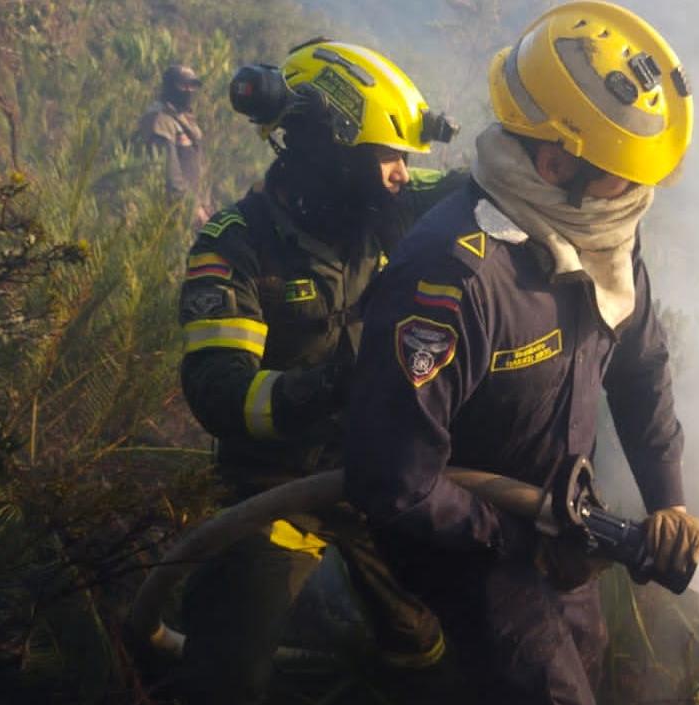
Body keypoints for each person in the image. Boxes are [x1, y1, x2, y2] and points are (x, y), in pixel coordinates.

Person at [343, 3, 699, 703]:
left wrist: (671, 501)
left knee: (587, 663)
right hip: (459, 547)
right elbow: (393, 479)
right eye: (620, 175)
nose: (637, 195)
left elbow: (641, 372)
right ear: (552, 159)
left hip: (552, 538)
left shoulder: (604, 244)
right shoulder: (458, 275)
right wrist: (520, 538)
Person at [174, 38, 465, 704]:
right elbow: (218, 393)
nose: (401, 173)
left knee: (429, 658)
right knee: (228, 676)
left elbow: (473, 188)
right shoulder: (236, 245)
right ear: (328, 150)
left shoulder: (387, 209)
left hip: (383, 478)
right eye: (388, 156)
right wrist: (332, 386)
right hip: (272, 489)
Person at [135, 65, 212, 227]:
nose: (188, 90)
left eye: (192, 85)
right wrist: (193, 210)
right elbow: (170, 174)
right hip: (172, 215)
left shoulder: (184, 119)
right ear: (171, 87)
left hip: (193, 210)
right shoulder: (160, 121)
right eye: (183, 85)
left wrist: (204, 206)